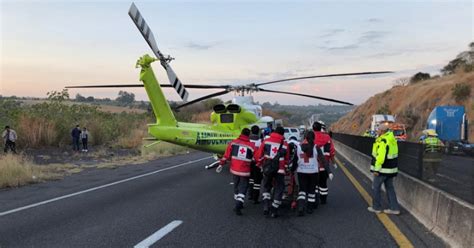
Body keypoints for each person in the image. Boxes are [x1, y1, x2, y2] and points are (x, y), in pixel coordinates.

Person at [216, 128, 256, 216]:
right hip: (245, 171)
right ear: (248, 135)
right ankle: (239, 204)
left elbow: (226, 155)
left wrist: (221, 164)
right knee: (243, 187)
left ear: (241, 133)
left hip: (234, 170)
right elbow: (255, 159)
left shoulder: (233, 143)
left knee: (236, 186)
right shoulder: (251, 145)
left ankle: (238, 203)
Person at [292, 131, 331, 216]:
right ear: (314, 138)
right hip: (313, 172)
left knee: (302, 190)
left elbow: (295, 161)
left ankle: (301, 207)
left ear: (305, 138)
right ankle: (310, 208)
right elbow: (323, 160)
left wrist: (292, 170)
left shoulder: (298, 147)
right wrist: (329, 171)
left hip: (301, 172)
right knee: (311, 191)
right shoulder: (316, 147)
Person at [255, 126, 289, 218]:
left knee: (266, 186)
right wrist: (286, 168)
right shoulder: (285, 144)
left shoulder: (266, 141)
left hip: (268, 168)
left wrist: (260, 163)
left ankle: (266, 206)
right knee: (279, 188)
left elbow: (259, 155)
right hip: (280, 169)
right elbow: (287, 159)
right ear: (282, 134)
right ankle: (274, 208)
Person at [368, 124, 400, 215]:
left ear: (382, 131)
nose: (377, 131)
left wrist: (376, 170)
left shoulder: (383, 141)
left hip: (382, 170)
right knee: (390, 188)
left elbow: (380, 157)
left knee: (375, 187)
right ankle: (394, 208)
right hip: (391, 170)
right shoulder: (392, 139)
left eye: (378, 130)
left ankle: (376, 207)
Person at [313, 121, 335, 204]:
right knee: (323, 184)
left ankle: (314, 199)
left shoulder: (311, 137)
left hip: (313, 167)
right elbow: (332, 152)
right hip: (324, 166)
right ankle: (323, 199)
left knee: (314, 184)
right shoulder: (328, 138)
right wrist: (334, 163)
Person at [248, 125, 263, 204]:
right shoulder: (261, 142)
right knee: (257, 181)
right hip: (257, 163)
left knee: (250, 179)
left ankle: (250, 194)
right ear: (258, 132)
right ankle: (255, 198)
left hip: (248, 162)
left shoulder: (247, 140)